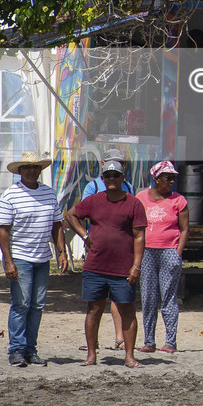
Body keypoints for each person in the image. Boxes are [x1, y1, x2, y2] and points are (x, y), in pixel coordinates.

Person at [66, 157, 146, 368]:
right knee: (94, 310)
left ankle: (129, 356)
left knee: (127, 310)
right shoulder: (94, 200)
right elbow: (71, 215)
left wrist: (136, 265)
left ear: (122, 177)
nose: (112, 179)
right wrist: (84, 235)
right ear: (103, 178)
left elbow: (139, 236)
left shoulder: (134, 203)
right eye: (108, 175)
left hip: (123, 268)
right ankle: (91, 354)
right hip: (95, 266)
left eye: (116, 175)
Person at [0, 150, 64, 367]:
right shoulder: (10, 195)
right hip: (21, 257)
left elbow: (57, 224)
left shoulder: (49, 194)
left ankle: (30, 349)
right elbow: (4, 231)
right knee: (21, 304)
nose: (32, 171)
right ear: (20, 171)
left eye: (35, 167)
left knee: (37, 305)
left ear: (40, 170)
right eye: (27, 167)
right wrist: (8, 261)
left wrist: (61, 251)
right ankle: (16, 349)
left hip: (42, 258)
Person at [135, 160, 189, 354]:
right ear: (156, 179)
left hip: (169, 252)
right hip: (147, 251)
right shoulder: (141, 198)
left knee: (168, 297)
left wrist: (178, 252)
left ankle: (170, 342)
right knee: (148, 297)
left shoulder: (179, 201)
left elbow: (184, 229)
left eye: (173, 178)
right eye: (168, 178)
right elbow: (135, 226)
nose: (171, 182)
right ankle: (149, 341)